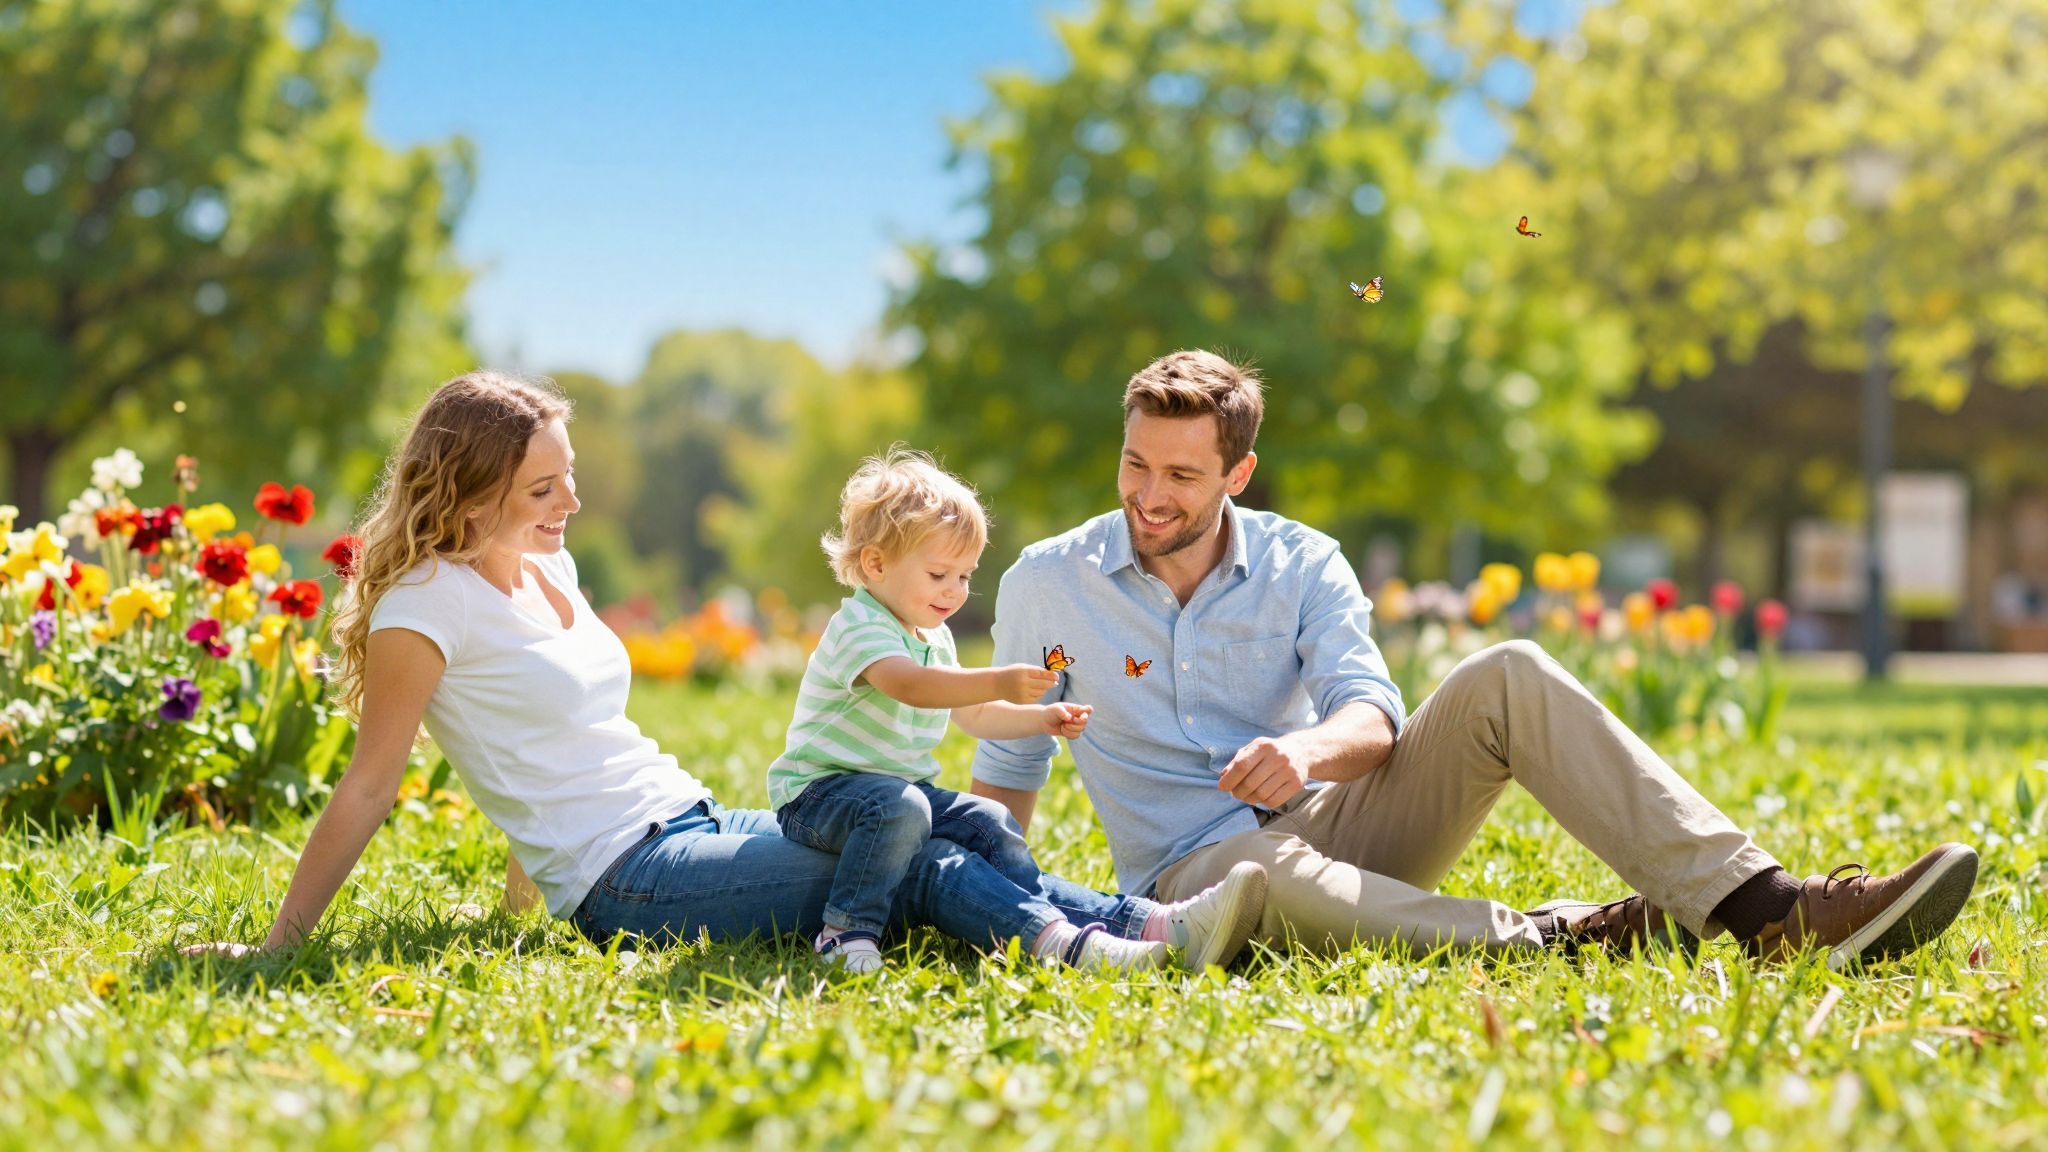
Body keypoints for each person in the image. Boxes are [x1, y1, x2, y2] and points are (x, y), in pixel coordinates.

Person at [178, 371, 1260, 974]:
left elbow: (554, 736)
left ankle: (1145, 920)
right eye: (543, 486)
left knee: (914, 825)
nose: (571, 504)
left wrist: (516, 892)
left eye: (568, 479)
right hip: (627, 882)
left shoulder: (543, 572)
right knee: (900, 865)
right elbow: (373, 783)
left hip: (687, 819)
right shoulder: (421, 612)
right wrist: (280, 946)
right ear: (469, 488)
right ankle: (1098, 952)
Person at [970, 349, 1979, 970]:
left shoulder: (1299, 562)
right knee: (1256, 872)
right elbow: (1006, 773)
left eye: (1182, 475)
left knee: (1509, 671)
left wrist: (1307, 753)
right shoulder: (1044, 587)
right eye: (1134, 463)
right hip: (1194, 872)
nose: (1150, 494)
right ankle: (1567, 936)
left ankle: (1766, 909)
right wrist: (995, 915)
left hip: (1339, 819)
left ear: (1236, 472)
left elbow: (1371, 714)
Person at [769, 447, 1267, 973]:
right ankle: (845, 932)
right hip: (822, 794)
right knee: (902, 809)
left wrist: (1041, 718)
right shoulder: (859, 627)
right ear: (875, 564)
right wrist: (1001, 678)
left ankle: (1098, 920)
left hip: (899, 793)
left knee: (989, 819)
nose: (955, 592)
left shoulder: (931, 636)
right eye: (940, 574)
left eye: (965, 576)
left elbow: (974, 717)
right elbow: (911, 686)